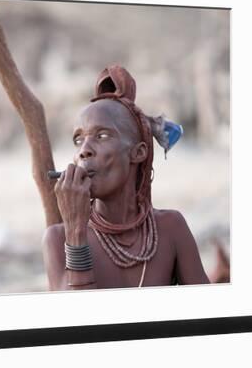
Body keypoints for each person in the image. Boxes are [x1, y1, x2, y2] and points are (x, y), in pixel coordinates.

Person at [42, 65, 210, 290]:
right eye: (78, 140)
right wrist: (75, 230)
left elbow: (210, 314)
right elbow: (76, 318)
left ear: (138, 152)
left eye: (101, 135)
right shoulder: (57, 238)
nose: (84, 150)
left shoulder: (170, 229)